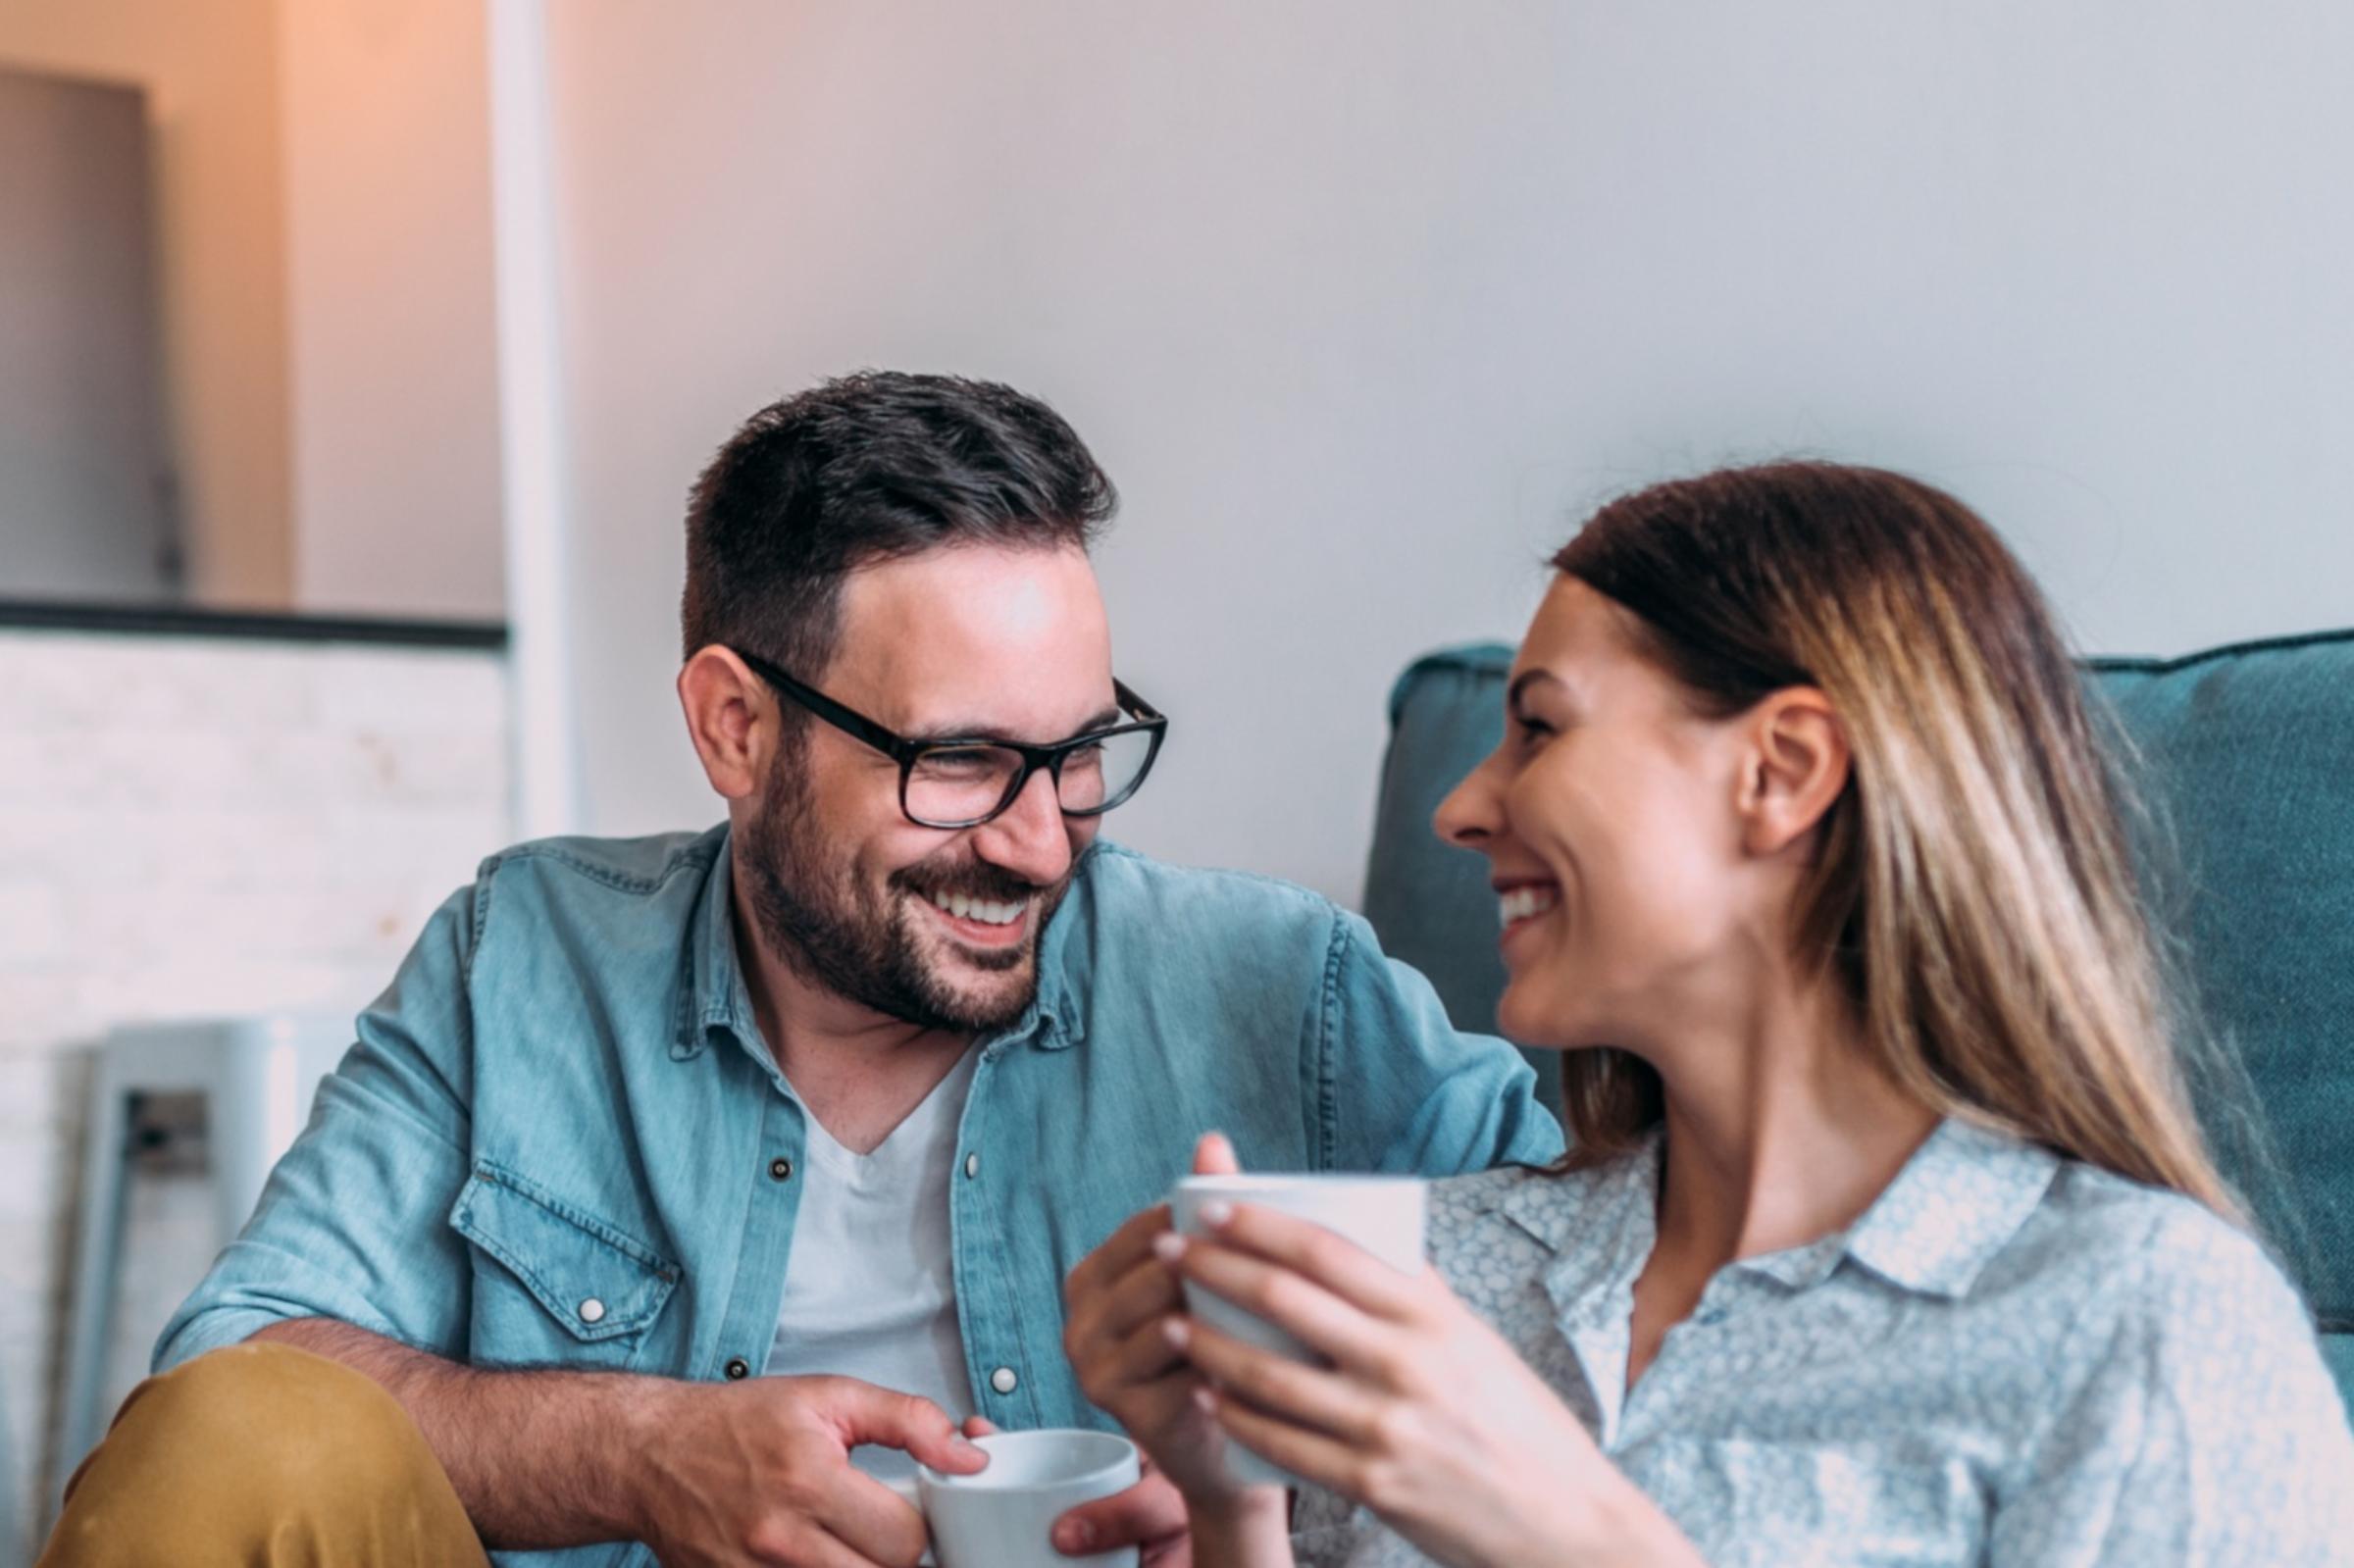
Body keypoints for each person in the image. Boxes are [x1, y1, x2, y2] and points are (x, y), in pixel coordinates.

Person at [41, 373, 1561, 1568]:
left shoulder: (1280, 994)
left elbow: (1615, 1306)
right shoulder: (526, 961)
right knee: (252, 1440)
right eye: (961, 762)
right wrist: (643, 1453)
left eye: (1082, 753)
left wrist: (1267, 1526)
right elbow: (230, 1375)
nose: (1041, 844)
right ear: (734, 728)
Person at [1065, 462, 2354, 1566]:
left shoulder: (2146, 1329)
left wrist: (1574, 1534)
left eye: (1540, 728)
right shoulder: (1444, 1277)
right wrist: (1236, 1508)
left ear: (1781, 771)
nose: (1463, 806)